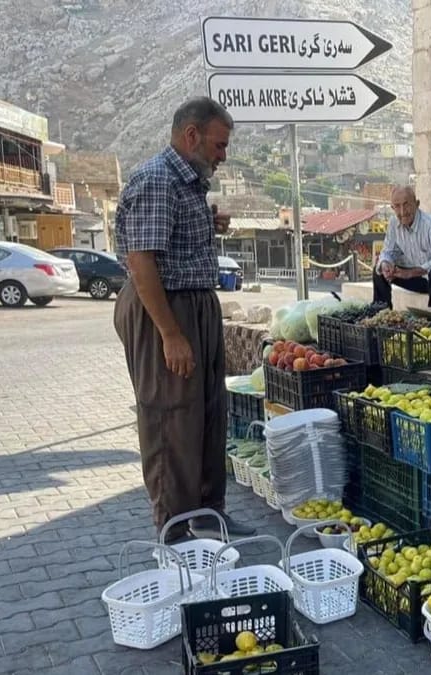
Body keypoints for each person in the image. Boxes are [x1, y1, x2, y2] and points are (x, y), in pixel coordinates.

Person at [113, 97, 256, 543]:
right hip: (166, 308)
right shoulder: (157, 180)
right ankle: (173, 530)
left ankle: (207, 514)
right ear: (191, 135)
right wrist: (170, 334)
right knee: (171, 418)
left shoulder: (188, 182)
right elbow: (141, 262)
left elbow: (172, 240)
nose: (223, 155)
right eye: (219, 144)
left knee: (208, 413)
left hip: (196, 303)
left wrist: (208, 224)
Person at [373, 186, 431, 308]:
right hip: (418, 279)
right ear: (392, 208)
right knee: (379, 270)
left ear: (417, 204)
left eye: (406, 204)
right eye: (397, 206)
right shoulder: (394, 223)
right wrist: (385, 263)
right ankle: (381, 312)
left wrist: (411, 273)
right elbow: (388, 251)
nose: (402, 212)